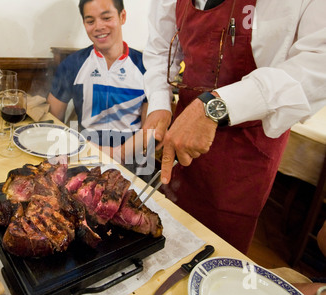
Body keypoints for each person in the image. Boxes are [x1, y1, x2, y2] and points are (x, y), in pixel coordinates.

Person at [142, 0, 326, 253]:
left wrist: (218, 105)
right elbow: (160, 48)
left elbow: (319, 63)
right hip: (184, 132)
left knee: (218, 250)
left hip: (247, 146)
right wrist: (159, 102)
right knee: (169, 227)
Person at [48, 0, 148, 161]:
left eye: (106, 18)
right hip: (85, 153)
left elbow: (151, 129)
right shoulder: (72, 65)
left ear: (122, 16)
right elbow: (52, 120)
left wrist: (119, 154)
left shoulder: (146, 66)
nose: (98, 26)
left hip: (133, 159)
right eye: (90, 21)